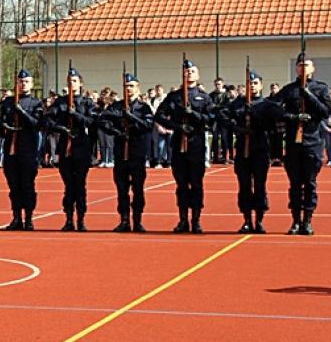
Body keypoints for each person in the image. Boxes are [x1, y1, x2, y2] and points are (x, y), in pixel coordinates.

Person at [274, 53, 331, 235]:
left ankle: (307, 220)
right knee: (294, 184)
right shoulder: (289, 89)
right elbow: (273, 109)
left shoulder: (321, 89)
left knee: (310, 183)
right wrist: (293, 117)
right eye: (300, 65)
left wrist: (308, 96)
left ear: (313, 68)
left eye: (306, 65)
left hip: (312, 142)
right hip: (293, 143)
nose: (303, 68)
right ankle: (295, 220)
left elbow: (325, 112)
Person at [156, 59, 213, 233]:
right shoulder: (174, 96)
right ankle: (183, 220)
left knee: (196, 183)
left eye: (192, 71)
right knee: (181, 184)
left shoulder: (204, 97)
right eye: (186, 71)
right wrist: (177, 126)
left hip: (195, 144)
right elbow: (159, 115)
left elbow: (211, 118)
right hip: (179, 144)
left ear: (198, 74)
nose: (189, 73)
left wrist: (193, 114)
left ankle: (196, 220)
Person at [225, 70, 282, 233]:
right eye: (250, 83)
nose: (252, 86)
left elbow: (277, 121)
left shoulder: (267, 104)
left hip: (260, 148)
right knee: (244, 185)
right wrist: (237, 128)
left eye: (255, 83)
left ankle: (259, 220)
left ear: (261, 85)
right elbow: (221, 116)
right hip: (243, 148)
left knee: (259, 185)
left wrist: (257, 116)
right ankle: (247, 219)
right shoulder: (237, 103)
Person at [100, 71, 153, 233]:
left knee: (138, 189)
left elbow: (148, 125)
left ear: (138, 88)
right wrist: (117, 132)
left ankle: (137, 220)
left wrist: (133, 118)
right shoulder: (117, 106)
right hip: (121, 153)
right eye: (126, 86)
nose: (128, 89)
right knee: (122, 189)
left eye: (131, 86)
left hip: (137, 153)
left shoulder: (143, 107)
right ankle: (124, 220)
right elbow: (102, 121)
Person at [46, 68, 96, 231]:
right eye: (69, 81)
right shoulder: (60, 102)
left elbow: (92, 122)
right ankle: (68, 219)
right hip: (65, 148)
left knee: (80, 186)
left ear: (80, 83)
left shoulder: (87, 102)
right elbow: (48, 121)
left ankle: (81, 220)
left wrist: (76, 115)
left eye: (74, 81)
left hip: (81, 147)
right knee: (68, 187)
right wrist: (62, 128)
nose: (71, 84)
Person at [0, 69, 45, 230]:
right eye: (20, 82)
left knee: (28, 186)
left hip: (28, 150)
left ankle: (29, 218)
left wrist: (22, 113)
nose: (23, 84)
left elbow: (37, 124)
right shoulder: (7, 102)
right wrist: (2, 125)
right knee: (14, 186)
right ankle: (16, 217)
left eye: (26, 82)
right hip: (11, 149)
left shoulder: (36, 103)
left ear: (31, 84)